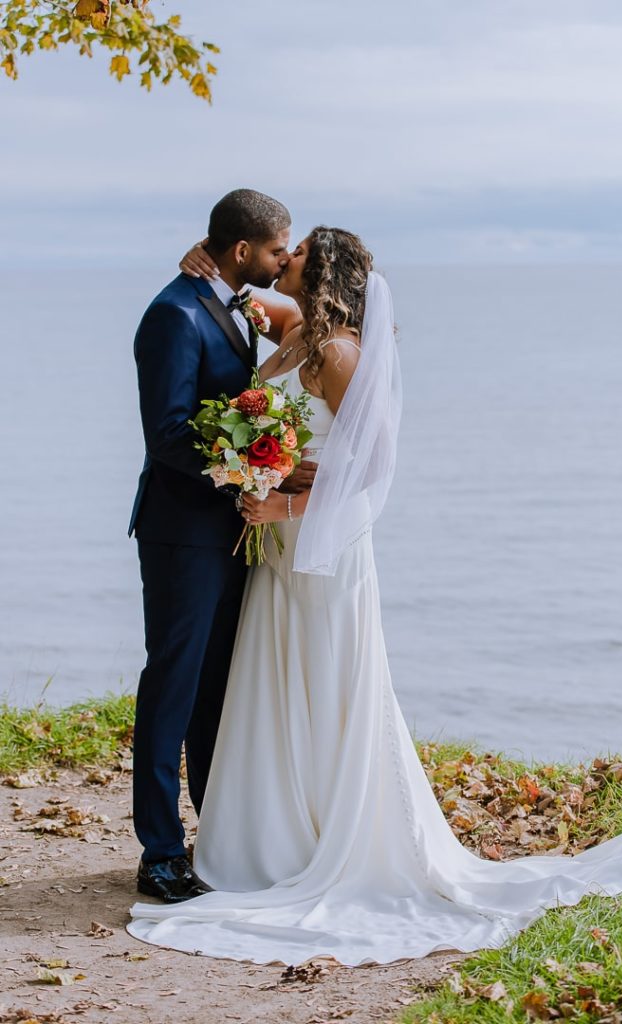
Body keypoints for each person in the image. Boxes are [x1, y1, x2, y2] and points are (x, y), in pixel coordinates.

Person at [127, 226, 622, 965]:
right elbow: (238, 288)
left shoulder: (340, 352)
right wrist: (203, 257)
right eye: (279, 246)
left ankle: (329, 842)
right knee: (276, 689)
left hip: (320, 549)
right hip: (274, 552)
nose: (287, 257)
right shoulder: (289, 327)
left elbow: (370, 469)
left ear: (324, 268)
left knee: (327, 686)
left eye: (300, 250)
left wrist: (283, 505)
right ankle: (276, 835)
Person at [129, 188, 315, 904]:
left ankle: (219, 834)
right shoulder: (173, 315)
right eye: (276, 250)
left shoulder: (238, 305)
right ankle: (159, 852)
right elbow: (170, 434)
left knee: (216, 692)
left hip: (235, 533)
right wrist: (256, 470)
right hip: (182, 533)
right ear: (244, 252)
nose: (281, 260)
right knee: (172, 687)